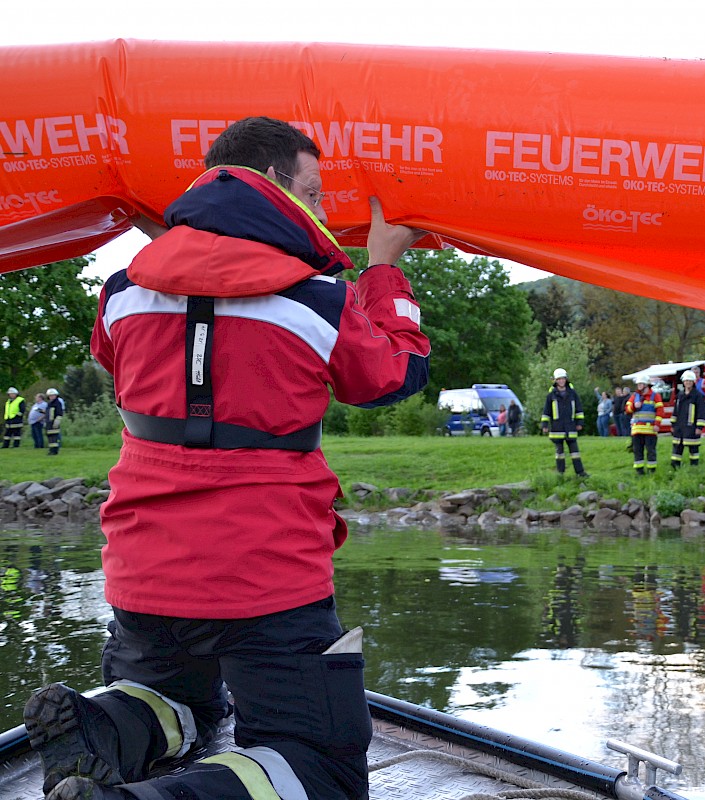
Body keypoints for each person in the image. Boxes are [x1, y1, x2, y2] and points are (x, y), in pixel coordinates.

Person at [23, 116, 431, 800]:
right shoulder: (317, 300)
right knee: (317, 763)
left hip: (144, 566)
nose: (322, 208)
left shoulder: (121, 291)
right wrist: (384, 268)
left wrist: (177, 250)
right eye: (315, 192)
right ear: (273, 182)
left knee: (178, 704)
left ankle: (100, 727)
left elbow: (122, 367)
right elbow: (397, 373)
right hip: (265, 575)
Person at [540, 368, 588, 477]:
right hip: (557, 428)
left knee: (575, 452)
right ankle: (560, 474)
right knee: (559, 454)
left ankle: (580, 473)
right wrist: (544, 425)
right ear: (555, 381)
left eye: (563, 379)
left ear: (566, 379)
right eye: (559, 379)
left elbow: (579, 409)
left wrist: (580, 422)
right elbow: (546, 411)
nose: (561, 381)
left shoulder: (573, 393)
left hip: (570, 427)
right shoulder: (551, 395)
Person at [669, 370, 705, 468]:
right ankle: (675, 467)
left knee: (693, 448)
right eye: (686, 381)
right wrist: (673, 424)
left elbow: (702, 412)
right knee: (677, 447)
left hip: (692, 426)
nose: (688, 383)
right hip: (679, 427)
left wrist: (699, 427)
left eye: (690, 381)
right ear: (683, 382)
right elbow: (675, 411)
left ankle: (694, 467)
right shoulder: (680, 395)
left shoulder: (698, 396)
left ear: (693, 382)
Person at [626, 377, 663, 476]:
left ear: (646, 385)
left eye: (640, 384)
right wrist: (634, 406)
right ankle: (639, 471)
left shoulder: (655, 396)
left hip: (650, 430)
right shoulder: (635, 396)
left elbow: (660, 411)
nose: (638, 386)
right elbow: (627, 409)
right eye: (638, 384)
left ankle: (652, 471)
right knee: (637, 451)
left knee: (651, 451)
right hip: (637, 430)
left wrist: (657, 424)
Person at [44, 388, 65, 456]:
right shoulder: (49, 403)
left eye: (53, 395)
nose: (52, 397)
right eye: (50, 396)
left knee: (54, 438)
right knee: (50, 437)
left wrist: (57, 421)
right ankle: (51, 450)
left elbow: (59, 413)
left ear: (56, 395)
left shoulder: (57, 403)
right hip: (49, 422)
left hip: (54, 423)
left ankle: (54, 451)